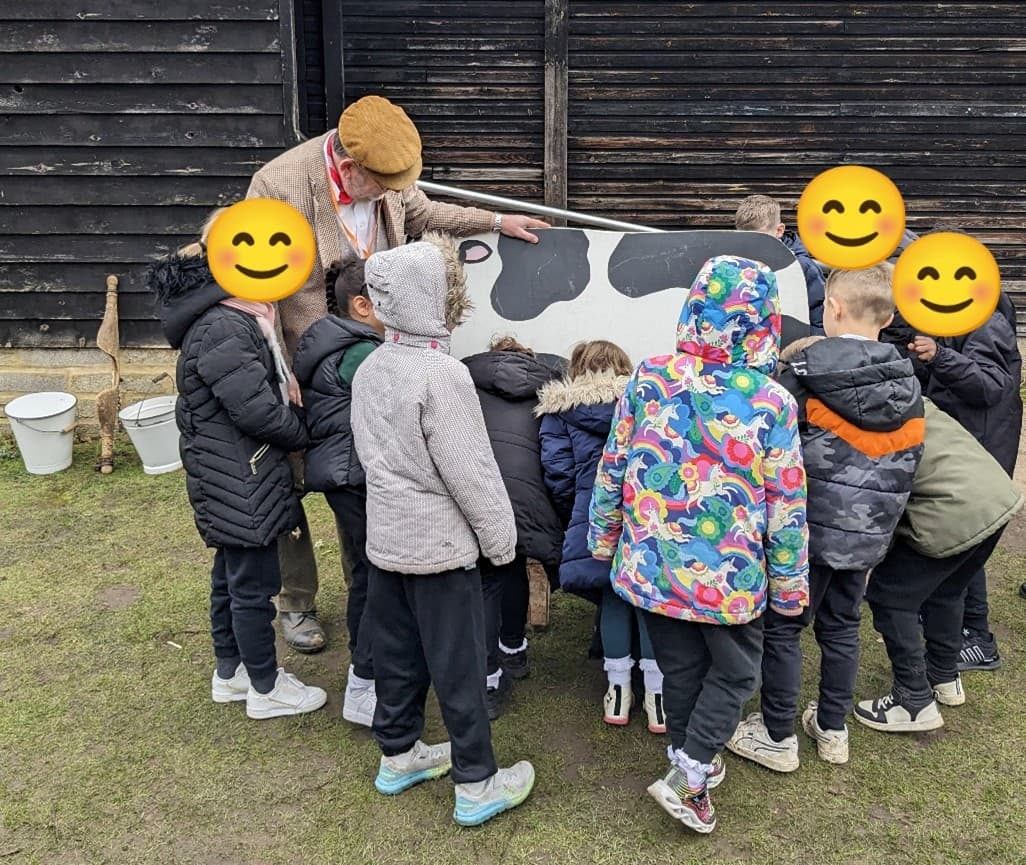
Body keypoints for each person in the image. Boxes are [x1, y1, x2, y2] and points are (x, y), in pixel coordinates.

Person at [247, 93, 549, 653]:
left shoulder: (387, 178)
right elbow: (255, 287)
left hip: (376, 353)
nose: (391, 193)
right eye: (382, 184)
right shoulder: (279, 185)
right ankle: (296, 601)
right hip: (305, 357)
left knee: (357, 475)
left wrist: (495, 219)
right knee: (291, 484)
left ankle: (370, 581)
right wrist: (275, 364)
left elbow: (425, 212)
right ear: (347, 168)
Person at [589, 255, 810, 834]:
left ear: (694, 308)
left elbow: (612, 463)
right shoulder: (771, 402)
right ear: (767, 321)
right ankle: (689, 773)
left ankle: (690, 755)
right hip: (728, 574)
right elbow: (785, 505)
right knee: (737, 674)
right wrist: (789, 584)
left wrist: (603, 534)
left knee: (681, 666)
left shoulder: (649, 376)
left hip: (652, 563)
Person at [350, 241, 535, 827]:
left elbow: (366, 452)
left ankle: (398, 753)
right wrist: (501, 542)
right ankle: (477, 782)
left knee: (396, 653)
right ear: (435, 298)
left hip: (385, 539)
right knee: (458, 664)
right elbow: (471, 471)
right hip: (437, 547)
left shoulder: (371, 366)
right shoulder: (442, 374)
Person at [727, 265, 924, 773]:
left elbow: (766, 444)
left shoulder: (805, 374)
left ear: (832, 307)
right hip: (868, 533)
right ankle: (832, 728)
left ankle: (776, 734)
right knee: (841, 627)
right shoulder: (910, 385)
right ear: (888, 314)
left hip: (804, 532)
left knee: (785, 628)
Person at [147, 218, 326, 721]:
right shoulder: (228, 324)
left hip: (231, 472)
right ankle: (266, 689)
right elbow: (256, 410)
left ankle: (231, 673)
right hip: (240, 475)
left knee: (231, 576)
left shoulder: (230, 319)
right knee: (253, 585)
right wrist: (303, 434)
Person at [854, 398, 1024, 732]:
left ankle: (913, 701)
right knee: (946, 590)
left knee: (890, 596)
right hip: (996, 496)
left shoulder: (855, 410)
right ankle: (944, 676)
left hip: (953, 506)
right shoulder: (903, 390)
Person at [537, 340, 667, 734]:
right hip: (646, 512)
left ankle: (617, 692)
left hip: (591, 511)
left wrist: (574, 508)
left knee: (611, 592)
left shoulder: (559, 412)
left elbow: (556, 471)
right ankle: (657, 697)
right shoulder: (648, 401)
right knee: (645, 596)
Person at [903, 292, 1022, 671]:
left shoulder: (986, 321)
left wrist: (940, 356)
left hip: (983, 449)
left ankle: (977, 637)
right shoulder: (939, 317)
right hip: (963, 444)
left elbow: (989, 385)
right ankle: (950, 627)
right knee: (960, 543)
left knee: (969, 539)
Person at [291, 254, 384, 728]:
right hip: (355, 473)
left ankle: (367, 670)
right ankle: (365, 681)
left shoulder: (339, 341)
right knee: (377, 575)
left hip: (342, 473)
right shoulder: (362, 353)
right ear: (364, 305)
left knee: (368, 571)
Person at [463, 336, 564, 720]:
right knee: (516, 565)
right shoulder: (547, 392)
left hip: (480, 492)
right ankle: (513, 649)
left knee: (487, 578)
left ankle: (488, 678)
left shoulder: (465, 384)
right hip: (527, 496)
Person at [734, 194, 827, 334]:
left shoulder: (802, 267)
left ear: (779, 231)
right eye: (745, 237)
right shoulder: (732, 263)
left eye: (760, 238)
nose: (752, 245)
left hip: (792, 346)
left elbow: (818, 317)